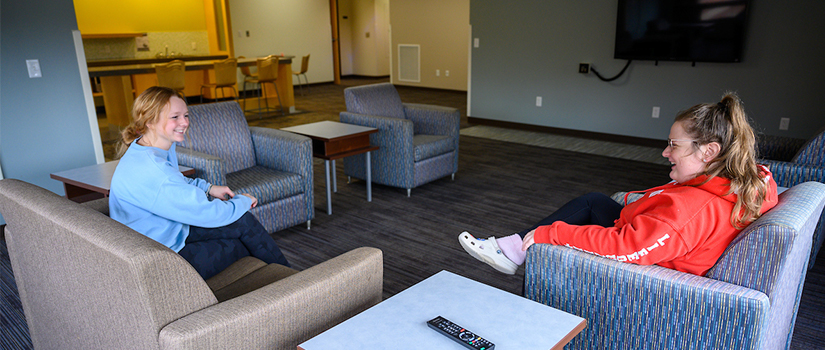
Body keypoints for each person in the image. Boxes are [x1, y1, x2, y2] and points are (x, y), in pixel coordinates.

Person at [459, 93, 778, 276]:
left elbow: (628, 248)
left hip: (646, 270)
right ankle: (515, 247)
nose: (666, 152)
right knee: (594, 200)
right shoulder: (750, 178)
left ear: (709, 151)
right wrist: (638, 200)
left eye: (674, 145)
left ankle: (516, 249)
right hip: (658, 240)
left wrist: (550, 232)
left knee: (558, 228)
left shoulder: (690, 212)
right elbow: (678, 206)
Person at [109, 86, 290, 279]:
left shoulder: (146, 146)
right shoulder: (154, 170)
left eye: (186, 115)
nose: (184, 122)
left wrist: (209, 188)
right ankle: (295, 285)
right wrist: (243, 201)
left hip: (166, 229)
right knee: (242, 242)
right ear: (150, 121)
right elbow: (208, 211)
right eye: (175, 117)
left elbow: (176, 182)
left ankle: (290, 280)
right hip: (161, 256)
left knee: (243, 223)